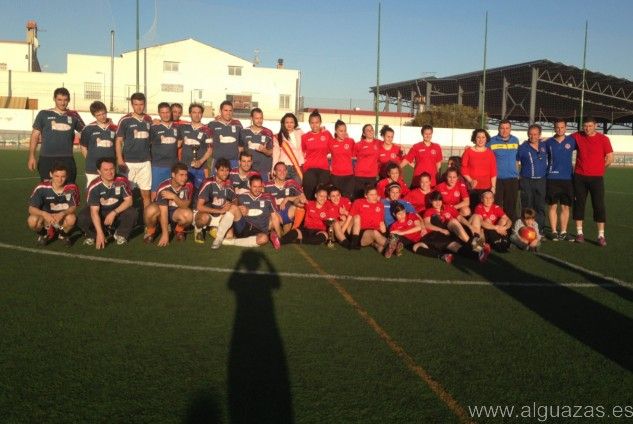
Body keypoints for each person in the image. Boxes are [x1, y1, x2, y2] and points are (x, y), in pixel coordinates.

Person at [28, 87, 85, 184]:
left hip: (67, 158)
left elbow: (85, 131)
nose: (62, 103)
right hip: (47, 158)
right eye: (59, 100)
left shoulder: (73, 115)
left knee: (69, 187)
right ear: (54, 99)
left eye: (65, 100)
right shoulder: (44, 114)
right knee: (47, 188)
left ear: (69, 100)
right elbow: (35, 135)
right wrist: (31, 156)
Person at [571, 117, 613, 246]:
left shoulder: (604, 139)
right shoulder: (577, 136)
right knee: (579, 205)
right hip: (579, 177)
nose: (587, 128)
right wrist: (546, 140)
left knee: (599, 206)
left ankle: (601, 236)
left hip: (596, 178)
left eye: (590, 126)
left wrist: (600, 168)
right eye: (585, 126)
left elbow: (610, 157)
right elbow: (562, 140)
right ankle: (579, 233)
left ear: (595, 126)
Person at [78, 157, 137, 248]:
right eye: (105, 170)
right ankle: (94, 235)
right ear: (99, 171)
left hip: (117, 210)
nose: (110, 172)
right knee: (83, 217)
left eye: (112, 169)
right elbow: (94, 211)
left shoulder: (122, 181)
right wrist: (100, 233)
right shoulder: (94, 186)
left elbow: (129, 201)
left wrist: (114, 213)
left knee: (132, 213)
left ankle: (120, 234)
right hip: (100, 211)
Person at [211, 175, 282, 249]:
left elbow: (275, 217)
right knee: (234, 207)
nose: (257, 189)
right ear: (250, 186)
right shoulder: (242, 197)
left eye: (259, 186)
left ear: (262, 186)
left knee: (264, 239)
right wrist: (240, 209)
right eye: (254, 186)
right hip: (243, 227)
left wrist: (279, 236)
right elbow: (231, 211)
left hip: (259, 231)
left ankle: (229, 242)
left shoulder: (269, 198)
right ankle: (218, 239)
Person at [423, 191, 490, 262]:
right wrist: (441, 230)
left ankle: (478, 243)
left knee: (475, 216)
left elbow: (460, 217)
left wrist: (470, 226)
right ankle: (478, 245)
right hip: (446, 233)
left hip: (458, 230)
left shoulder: (448, 207)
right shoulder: (429, 211)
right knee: (453, 221)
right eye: (435, 201)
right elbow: (427, 224)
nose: (438, 203)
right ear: (431, 201)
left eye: (439, 200)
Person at [115, 92, 153, 208]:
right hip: (129, 163)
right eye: (136, 104)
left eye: (141, 104)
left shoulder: (148, 119)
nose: (139, 107)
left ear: (144, 104)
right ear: (132, 105)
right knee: (126, 195)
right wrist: (120, 160)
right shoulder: (125, 120)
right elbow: (118, 141)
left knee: (146, 194)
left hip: (145, 162)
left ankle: (147, 224)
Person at [28, 163, 79, 246]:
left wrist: (62, 214)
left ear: (67, 176)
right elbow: (31, 209)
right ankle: (43, 234)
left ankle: (63, 235)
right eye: (56, 176)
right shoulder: (41, 188)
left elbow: (73, 207)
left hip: (61, 218)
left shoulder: (71, 188)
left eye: (63, 176)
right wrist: (44, 214)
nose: (60, 179)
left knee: (71, 219)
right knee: (32, 220)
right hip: (45, 218)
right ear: (51, 174)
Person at [143, 162, 194, 246]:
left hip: (176, 211)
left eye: (186, 175)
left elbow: (185, 205)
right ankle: (151, 231)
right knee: (150, 210)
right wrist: (165, 235)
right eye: (181, 175)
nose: (185, 178)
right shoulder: (164, 187)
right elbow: (164, 212)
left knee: (188, 215)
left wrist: (174, 197)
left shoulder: (188, 185)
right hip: (161, 211)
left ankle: (178, 230)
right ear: (173, 175)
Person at [280, 185, 346, 245]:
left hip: (320, 231)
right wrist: (291, 199)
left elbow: (334, 218)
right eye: (321, 196)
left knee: (322, 237)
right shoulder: (309, 204)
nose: (323, 198)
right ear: (315, 195)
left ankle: (298, 241)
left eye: (325, 196)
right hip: (306, 229)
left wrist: (344, 214)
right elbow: (297, 201)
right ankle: (279, 241)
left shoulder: (328, 206)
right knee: (294, 233)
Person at [544, 119, 576, 241]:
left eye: (562, 127)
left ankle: (563, 231)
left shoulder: (572, 141)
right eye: (557, 127)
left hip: (567, 179)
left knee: (565, 207)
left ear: (566, 128)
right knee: (552, 206)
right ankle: (553, 231)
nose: (560, 129)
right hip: (552, 178)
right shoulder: (548, 142)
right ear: (554, 128)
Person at [193, 158, 237, 243]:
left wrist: (231, 204)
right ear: (216, 170)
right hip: (205, 213)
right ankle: (198, 229)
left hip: (220, 214)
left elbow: (235, 199)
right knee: (204, 218)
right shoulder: (208, 182)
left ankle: (214, 228)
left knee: (229, 236)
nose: (225, 173)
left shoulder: (229, 184)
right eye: (222, 170)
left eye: (227, 170)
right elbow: (199, 207)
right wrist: (219, 210)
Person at [517, 124, 547, 234]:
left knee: (540, 205)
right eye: (530, 134)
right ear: (527, 135)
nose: (533, 136)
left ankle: (540, 229)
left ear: (539, 135)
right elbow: (516, 161)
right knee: (527, 204)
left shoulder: (544, 145)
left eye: (535, 134)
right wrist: (517, 175)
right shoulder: (522, 147)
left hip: (541, 180)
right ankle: (525, 228)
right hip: (526, 180)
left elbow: (553, 139)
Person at [487, 119, 519, 222]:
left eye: (507, 128)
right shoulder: (491, 141)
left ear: (510, 129)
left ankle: (510, 231)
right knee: (497, 206)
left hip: (512, 179)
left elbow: (517, 160)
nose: (504, 131)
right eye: (502, 128)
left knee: (511, 207)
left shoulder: (515, 140)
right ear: (498, 129)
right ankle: (497, 230)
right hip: (497, 180)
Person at [80, 100, 117, 187]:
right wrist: (91, 160)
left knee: (109, 191)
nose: (102, 116)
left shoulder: (114, 128)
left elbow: (117, 146)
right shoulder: (88, 128)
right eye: (98, 115)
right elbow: (83, 147)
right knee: (92, 191)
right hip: (93, 168)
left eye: (103, 113)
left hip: (110, 168)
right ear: (94, 115)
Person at [264, 162, 307, 232]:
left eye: (284, 170)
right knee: (269, 226)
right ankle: (278, 231)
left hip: (288, 213)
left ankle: (294, 229)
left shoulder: (292, 183)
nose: (282, 172)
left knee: (300, 204)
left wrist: (287, 199)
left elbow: (303, 199)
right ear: (274, 172)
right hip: (274, 214)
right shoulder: (267, 185)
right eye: (279, 170)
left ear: (287, 171)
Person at [179, 103, 213, 189]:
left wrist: (200, 162)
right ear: (190, 114)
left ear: (202, 114)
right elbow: (178, 144)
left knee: (199, 193)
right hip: (185, 167)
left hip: (200, 168)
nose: (197, 115)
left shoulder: (207, 130)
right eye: (194, 112)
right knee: (185, 192)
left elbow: (210, 150)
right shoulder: (183, 127)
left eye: (199, 112)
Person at [346, 185, 388, 254]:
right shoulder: (358, 202)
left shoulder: (380, 205)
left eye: (375, 194)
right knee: (374, 232)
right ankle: (391, 245)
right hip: (361, 232)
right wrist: (342, 234)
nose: (374, 197)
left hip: (374, 232)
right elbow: (350, 218)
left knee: (378, 239)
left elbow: (381, 223)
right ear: (366, 195)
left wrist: (384, 235)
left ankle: (385, 246)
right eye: (371, 195)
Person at [150, 102, 180, 198]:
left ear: (171, 112)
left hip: (173, 165)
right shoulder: (154, 127)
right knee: (155, 191)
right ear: (159, 113)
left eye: (167, 112)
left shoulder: (177, 127)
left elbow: (179, 142)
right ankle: (153, 211)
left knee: (172, 191)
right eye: (162, 112)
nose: (165, 115)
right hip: (158, 166)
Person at [461, 128, 497, 209]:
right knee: (473, 209)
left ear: (486, 139)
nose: (481, 139)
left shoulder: (490, 153)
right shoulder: (468, 151)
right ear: (474, 138)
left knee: (485, 211)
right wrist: (470, 181)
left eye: (483, 137)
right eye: (478, 137)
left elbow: (493, 171)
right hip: (473, 188)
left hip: (486, 188)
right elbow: (463, 169)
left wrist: (493, 187)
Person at [301, 109, 332, 200]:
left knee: (322, 195)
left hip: (324, 169)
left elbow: (333, 149)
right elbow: (302, 152)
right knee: (310, 195)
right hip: (309, 169)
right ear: (309, 123)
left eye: (317, 122)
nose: (314, 125)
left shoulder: (327, 134)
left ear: (320, 122)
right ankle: (309, 213)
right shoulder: (305, 137)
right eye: (312, 123)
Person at [240, 108, 274, 181]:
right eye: (257, 118)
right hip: (249, 170)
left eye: (261, 118)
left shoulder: (268, 132)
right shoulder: (244, 132)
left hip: (264, 170)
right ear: (251, 118)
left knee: (264, 191)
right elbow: (240, 150)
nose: (259, 120)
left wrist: (264, 150)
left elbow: (271, 152)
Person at [208, 100, 243, 170]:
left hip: (233, 161)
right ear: (220, 111)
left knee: (233, 181)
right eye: (226, 110)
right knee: (216, 181)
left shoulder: (238, 124)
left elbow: (241, 145)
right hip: (217, 161)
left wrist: (239, 160)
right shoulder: (212, 124)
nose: (228, 113)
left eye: (230, 110)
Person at [272, 112, 304, 183]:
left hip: (298, 167)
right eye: (287, 122)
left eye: (291, 122)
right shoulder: (278, 137)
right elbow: (275, 155)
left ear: (295, 123)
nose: (289, 124)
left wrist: (321, 129)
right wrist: (273, 170)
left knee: (297, 189)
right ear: (283, 123)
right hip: (284, 167)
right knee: (284, 190)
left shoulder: (300, 133)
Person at [328, 120, 355, 199]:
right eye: (341, 131)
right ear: (336, 131)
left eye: (344, 131)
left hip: (349, 175)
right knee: (336, 199)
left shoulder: (350, 141)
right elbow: (322, 154)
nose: (343, 133)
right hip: (335, 175)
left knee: (346, 199)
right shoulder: (331, 142)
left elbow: (359, 152)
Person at [353, 124, 381, 199]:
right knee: (359, 197)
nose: (370, 131)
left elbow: (388, 144)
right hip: (360, 175)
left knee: (371, 197)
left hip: (372, 175)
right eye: (368, 130)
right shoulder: (358, 145)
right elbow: (352, 157)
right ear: (364, 134)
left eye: (371, 129)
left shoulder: (378, 143)